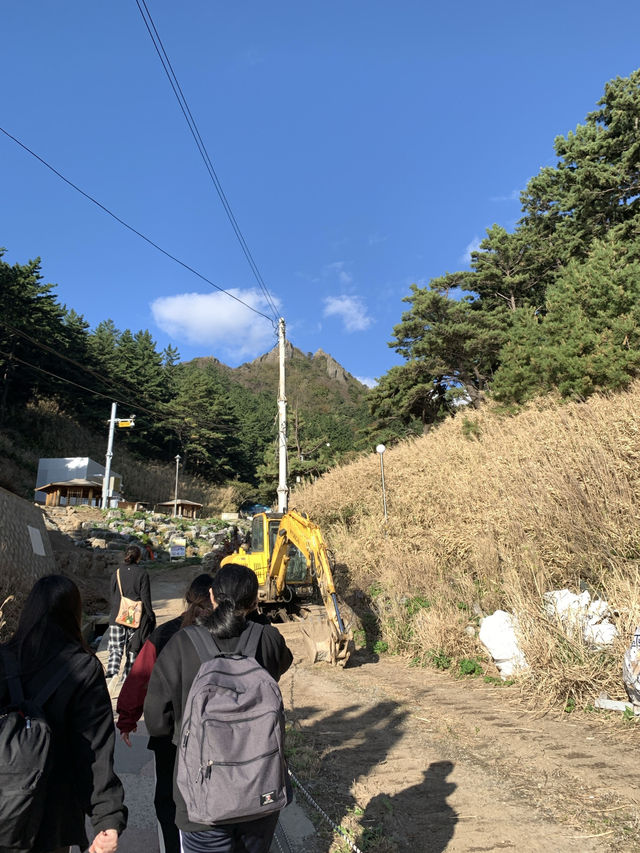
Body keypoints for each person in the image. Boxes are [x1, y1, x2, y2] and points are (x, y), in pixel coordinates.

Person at [144, 564, 293, 853]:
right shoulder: (268, 639)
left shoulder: (182, 643)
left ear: (211, 595)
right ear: (255, 601)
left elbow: (155, 720)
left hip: (202, 798)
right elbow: (282, 663)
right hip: (260, 789)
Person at [0, 574, 127, 853]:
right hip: (52, 815)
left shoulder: (4, 657)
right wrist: (107, 817)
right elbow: (94, 750)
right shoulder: (83, 669)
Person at [116, 573, 214, 853]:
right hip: (218, 737)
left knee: (169, 801)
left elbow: (140, 677)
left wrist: (127, 719)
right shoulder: (228, 631)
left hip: (171, 737)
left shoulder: (165, 634)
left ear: (187, 599)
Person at [106, 544, 154, 683]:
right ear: (138, 557)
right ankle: (127, 680)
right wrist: (150, 617)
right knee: (133, 650)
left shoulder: (117, 573)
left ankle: (111, 676)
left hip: (117, 615)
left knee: (115, 649)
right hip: (135, 617)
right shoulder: (142, 573)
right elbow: (145, 598)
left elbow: (112, 594)